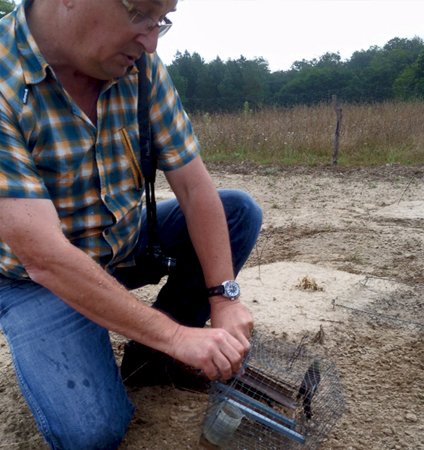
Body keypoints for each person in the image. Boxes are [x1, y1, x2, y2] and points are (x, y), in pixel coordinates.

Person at [0, 0, 262, 448]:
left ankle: (149, 361)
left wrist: (223, 295)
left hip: (123, 241)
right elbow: (44, 258)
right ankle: (151, 343)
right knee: (92, 432)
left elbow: (195, 189)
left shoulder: (140, 66)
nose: (151, 40)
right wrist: (178, 336)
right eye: (139, 12)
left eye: (162, 20)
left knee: (238, 211)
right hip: (36, 277)